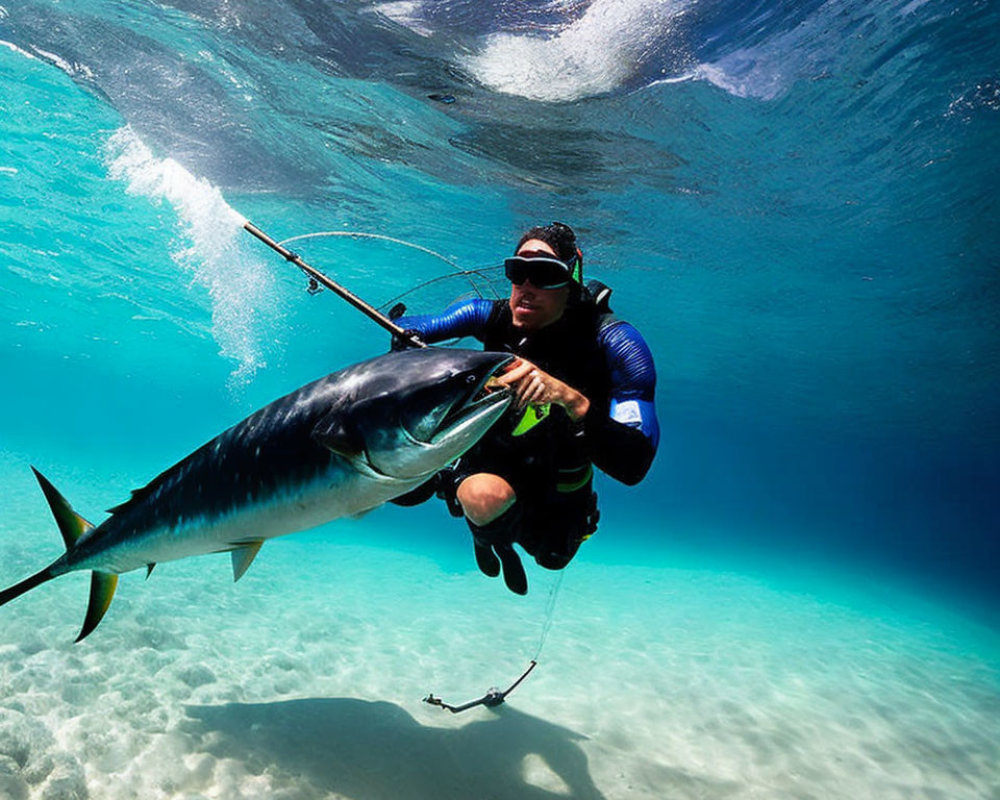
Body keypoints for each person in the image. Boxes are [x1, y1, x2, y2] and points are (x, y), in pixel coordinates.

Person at [392, 222, 658, 594]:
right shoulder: (490, 315)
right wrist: (405, 339)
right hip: (490, 463)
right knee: (478, 498)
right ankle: (486, 534)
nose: (527, 288)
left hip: (559, 484)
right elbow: (412, 329)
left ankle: (490, 531)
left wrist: (570, 399)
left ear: (571, 278)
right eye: (518, 273)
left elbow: (635, 463)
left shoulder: (616, 342)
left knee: (552, 557)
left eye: (545, 275)